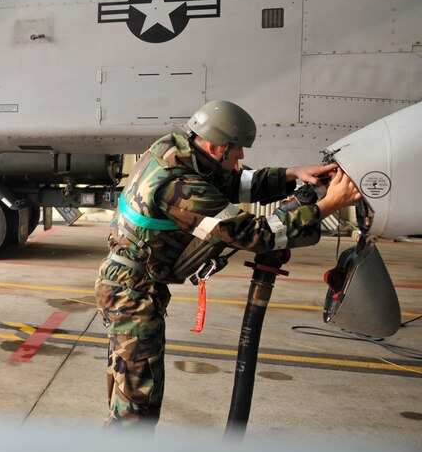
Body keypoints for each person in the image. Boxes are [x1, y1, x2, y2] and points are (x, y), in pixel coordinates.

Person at [95, 100, 361, 428]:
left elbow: (230, 184)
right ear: (214, 146)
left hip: (127, 283)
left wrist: (292, 175)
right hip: (131, 293)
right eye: (237, 150)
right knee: (137, 406)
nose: (242, 157)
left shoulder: (175, 149)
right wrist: (330, 204)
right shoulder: (179, 187)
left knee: (128, 393)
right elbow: (256, 234)